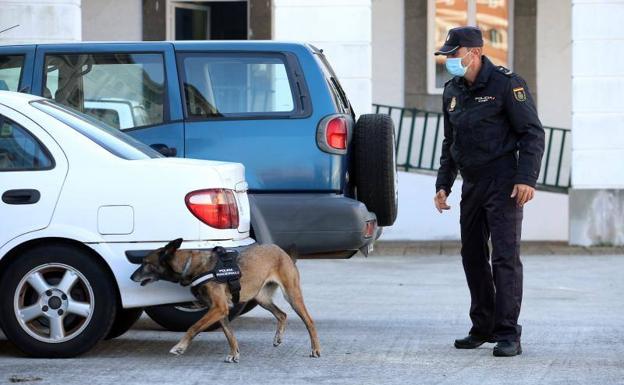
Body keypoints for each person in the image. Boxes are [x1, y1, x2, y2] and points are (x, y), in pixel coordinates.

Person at [433, 26, 545, 357]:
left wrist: (527, 177)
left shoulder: (508, 84)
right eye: (447, 56)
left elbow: (532, 133)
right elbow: (450, 141)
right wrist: (443, 184)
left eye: (453, 55)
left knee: (504, 256)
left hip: (504, 181)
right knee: (472, 255)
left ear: (474, 52)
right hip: (472, 182)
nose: (449, 61)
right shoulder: (452, 90)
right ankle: (482, 326)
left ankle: (508, 332)